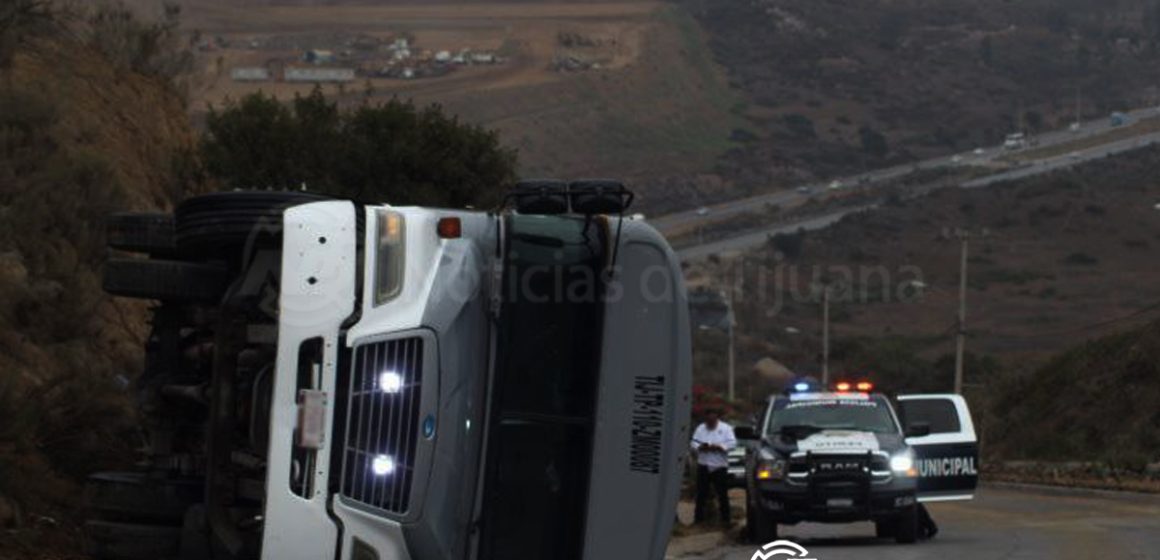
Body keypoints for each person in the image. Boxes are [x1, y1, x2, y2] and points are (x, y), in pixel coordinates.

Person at [690, 408, 736, 526]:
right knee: (701, 494)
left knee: (722, 494)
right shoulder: (701, 428)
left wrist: (720, 447)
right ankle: (698, 520)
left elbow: (732, 444)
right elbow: (694, 443)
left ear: (717, 418)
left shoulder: (726, 428)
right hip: (704, 464)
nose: (710, 421)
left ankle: (726, 520)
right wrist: (700, 447)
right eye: (708, 419)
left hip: (719, 465)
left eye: (713, 419)